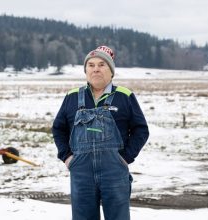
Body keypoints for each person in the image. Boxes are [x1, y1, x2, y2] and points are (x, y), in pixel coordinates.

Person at [52, 45, 149, 220]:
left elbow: (141, 129)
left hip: (114, 170)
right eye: (91, 65)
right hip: (81, 172)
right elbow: (58, 129)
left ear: (111, 71)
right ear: (86, 70)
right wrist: (66, 157)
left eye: (102, 64)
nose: (96, 69)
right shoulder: (72, 97)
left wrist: (125, 157)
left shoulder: (124, 96)